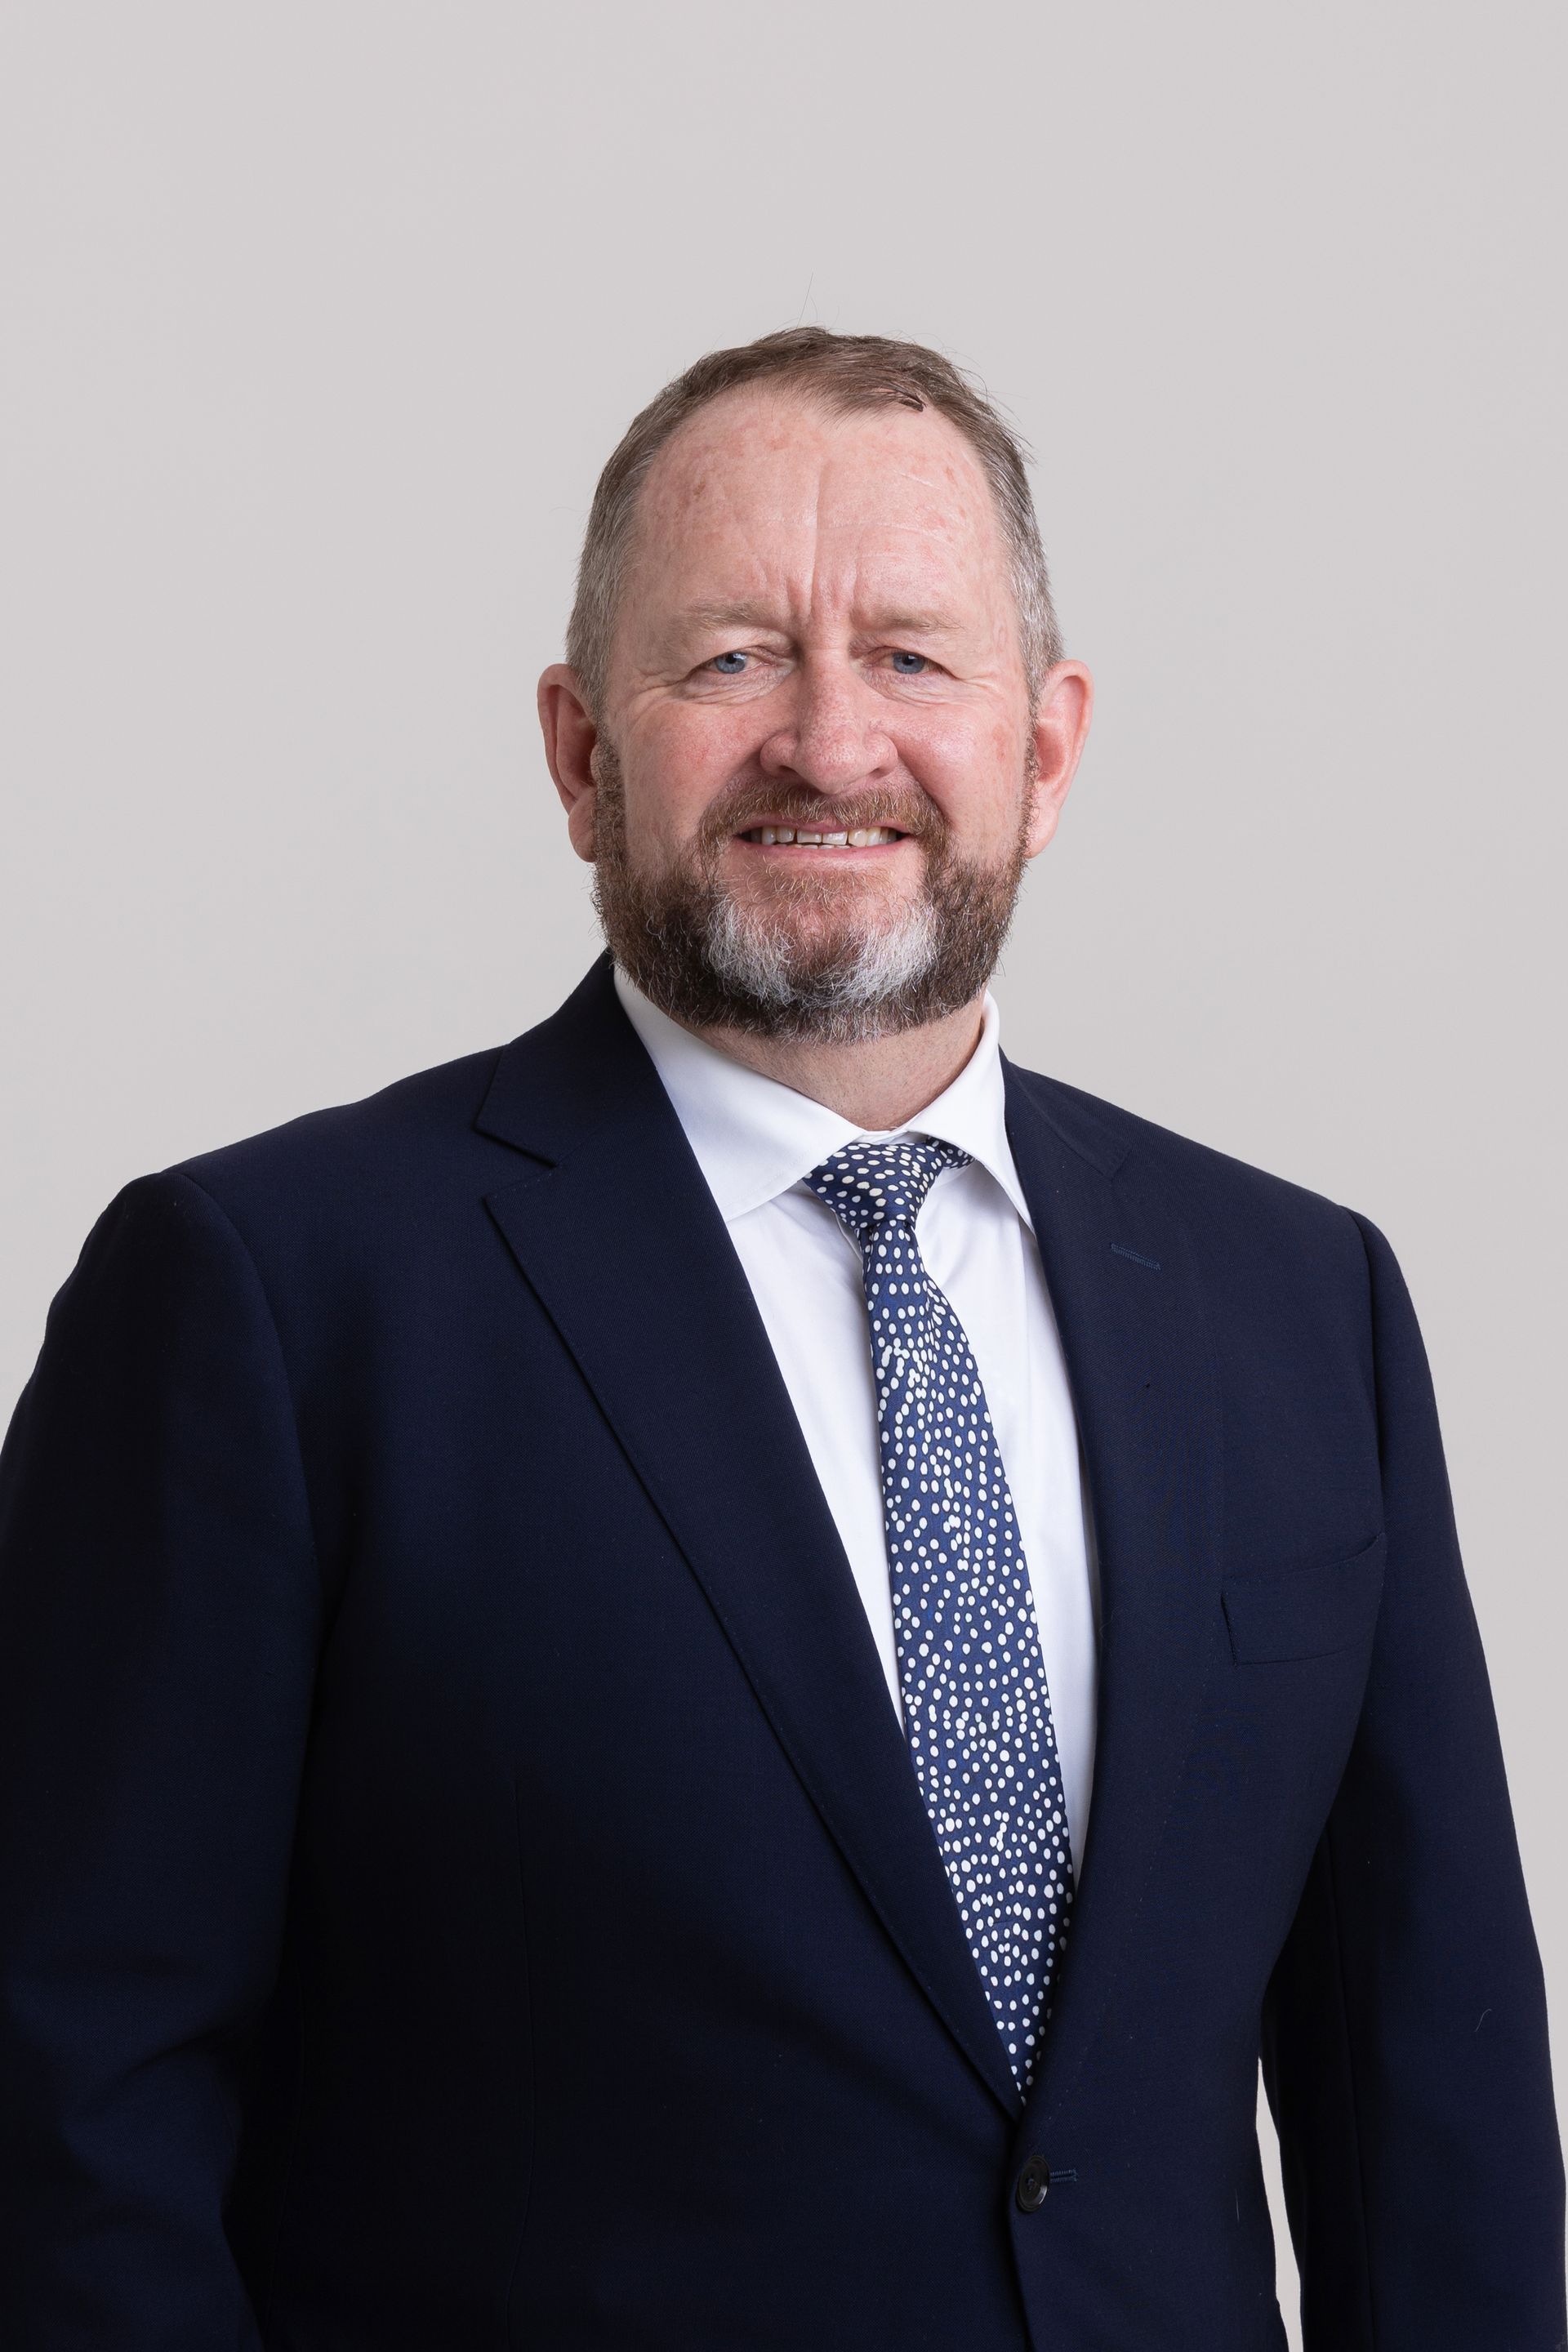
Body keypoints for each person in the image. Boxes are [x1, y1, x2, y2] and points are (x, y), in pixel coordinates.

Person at [0, 327, 1561, 2351]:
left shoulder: (1300, 1303)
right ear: (579, 752)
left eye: (913, 657)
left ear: (1050, 746)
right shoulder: (267, 1299)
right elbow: (67, 2113)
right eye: (731, 656)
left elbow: (1423, 2102)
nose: (832, 745)